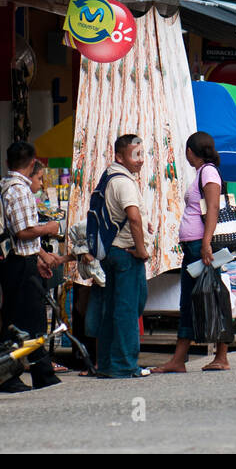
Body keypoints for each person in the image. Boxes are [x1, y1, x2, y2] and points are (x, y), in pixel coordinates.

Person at [153, 131, 230, 373]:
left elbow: (214, 207)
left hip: (201, 247)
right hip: (194, 247)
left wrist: (206, 243)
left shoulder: (207, 172)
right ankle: (179, 359)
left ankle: (221, 356)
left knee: (212, 296)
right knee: (190, 300)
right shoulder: (202, 172)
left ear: (190, 151)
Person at [0, 140, 61, 392]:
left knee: (19, 320)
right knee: (28, 321)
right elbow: (23, 232)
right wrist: (50, 228)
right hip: (21, 264)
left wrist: (41, 255)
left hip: (19, 261)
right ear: (32, 163)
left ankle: (22, 373)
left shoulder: (4, 185)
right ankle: (29, 374)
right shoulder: (20, 190)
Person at [86, 133, 152, 378]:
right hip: (126, 254)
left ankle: (106, 364)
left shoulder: (109, 176)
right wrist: (142, 249)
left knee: (113, 307)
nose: (140, 160)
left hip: (113, 251)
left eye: (142, 154)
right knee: (127, 309)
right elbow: (133, 217)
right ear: (119, 156)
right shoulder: (123, 181)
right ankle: (125, 365)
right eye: (135, 155)